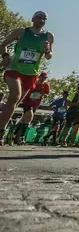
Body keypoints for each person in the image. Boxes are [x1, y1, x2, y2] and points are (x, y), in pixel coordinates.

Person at [0, 11, 54, 144]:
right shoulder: (21, 32)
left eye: (44, 18)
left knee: (14, 103)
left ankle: (2, 119)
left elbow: (49, 56)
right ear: (33, 19)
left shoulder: (48, 36)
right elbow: (3, 44)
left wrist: (48, 50)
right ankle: (1, 131)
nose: (41, 20)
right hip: (14, 70)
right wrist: (5, 57)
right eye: (39, 17)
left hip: (31, 74)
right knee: (15, 96)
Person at [16, 71, 51, 143]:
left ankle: (15, 133)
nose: (44, 79)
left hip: (35, 104)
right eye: (42, 77)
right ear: (39, 77)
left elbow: (47, 93)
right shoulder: (33, 82)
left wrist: (44, 95)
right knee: (29, 116)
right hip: (27, 102)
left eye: (45, 78)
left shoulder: (46, 85)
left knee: (25, 119)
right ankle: (22, 137)